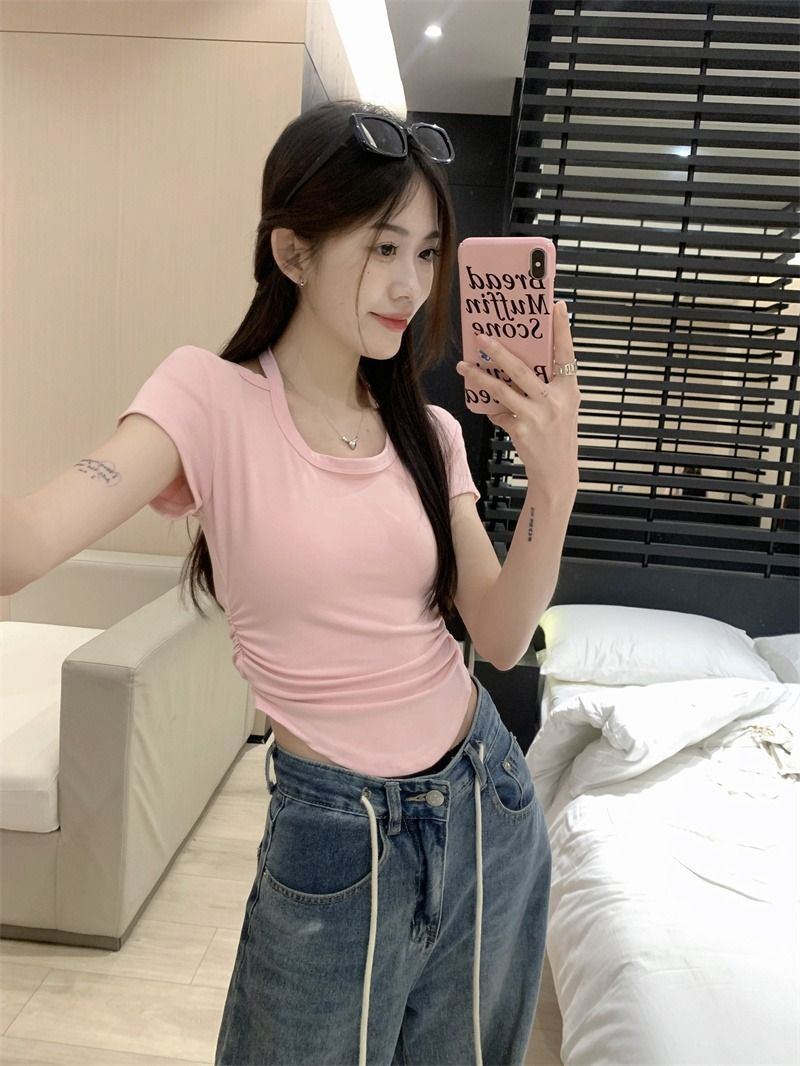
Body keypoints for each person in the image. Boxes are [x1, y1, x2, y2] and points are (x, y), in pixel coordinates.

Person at [5, 98, 580, 1065]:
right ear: (293, 251)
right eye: (383, 247)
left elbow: (498, 633)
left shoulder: (430, 433)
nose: (411, 284)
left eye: (427, 253)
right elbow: (24, 544)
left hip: (488, 806)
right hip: (335, 837)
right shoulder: (207, 398)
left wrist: (553, 487)